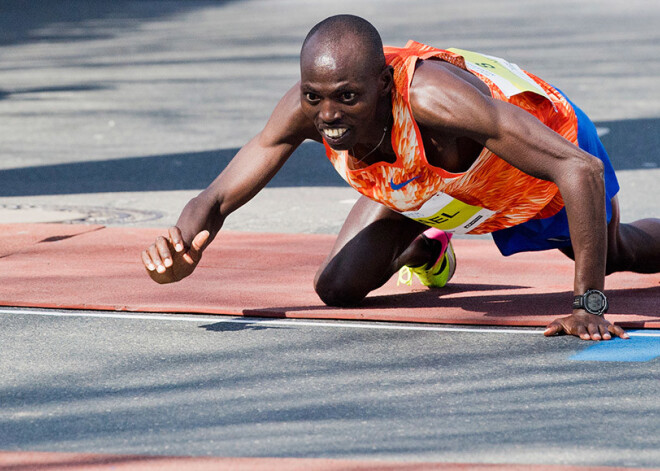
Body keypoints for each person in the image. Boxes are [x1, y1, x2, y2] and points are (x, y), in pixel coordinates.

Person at [141, 15, 660, 341]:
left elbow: (579, 168)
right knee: (337, 289)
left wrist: (588, 304)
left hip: (535, 169)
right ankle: (430, 247)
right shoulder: (307, 109)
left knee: (614, 255)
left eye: (348, 97)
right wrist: (182, 247)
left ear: (384, 85)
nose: (328, 116)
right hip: (421, 187)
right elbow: (218, 195)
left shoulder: (435, 100)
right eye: (314, 97)